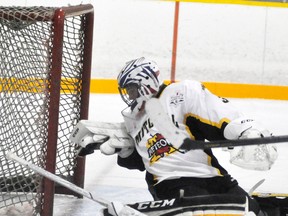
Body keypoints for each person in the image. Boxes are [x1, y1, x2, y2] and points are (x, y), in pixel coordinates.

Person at [71, 57, 278, 216]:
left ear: (146, 82)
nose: (130, 96)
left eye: (132, 90)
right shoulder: (133, 120)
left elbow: (215, 114)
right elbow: (142, 161)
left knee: (250, 209)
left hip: (212, 175)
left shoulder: (179, 94)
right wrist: (125, 152)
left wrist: (244, 131)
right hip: (171, 183)